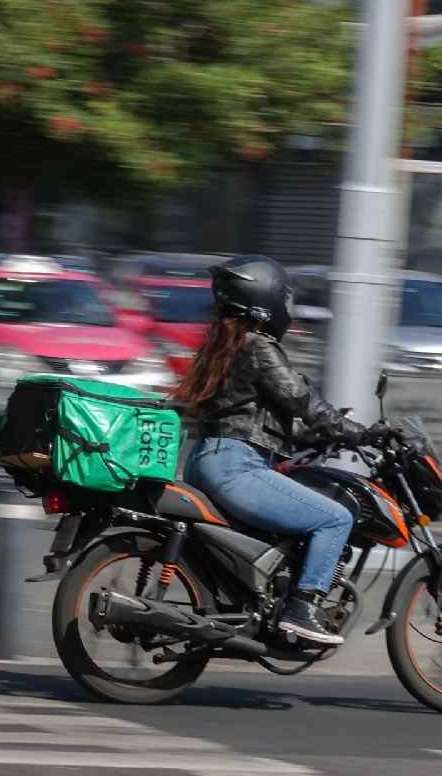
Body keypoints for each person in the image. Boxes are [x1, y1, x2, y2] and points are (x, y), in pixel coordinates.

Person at [173, 255, 386, 646]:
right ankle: (302, 608)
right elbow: (300, 399)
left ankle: (263, 606)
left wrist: (312, 437)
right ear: (266, 301)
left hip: (207, 459)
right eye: (284, 299)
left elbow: (255, 413)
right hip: (236, 466)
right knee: (335, 519)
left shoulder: (224, 344)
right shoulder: (259, 346)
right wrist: (360, 433)